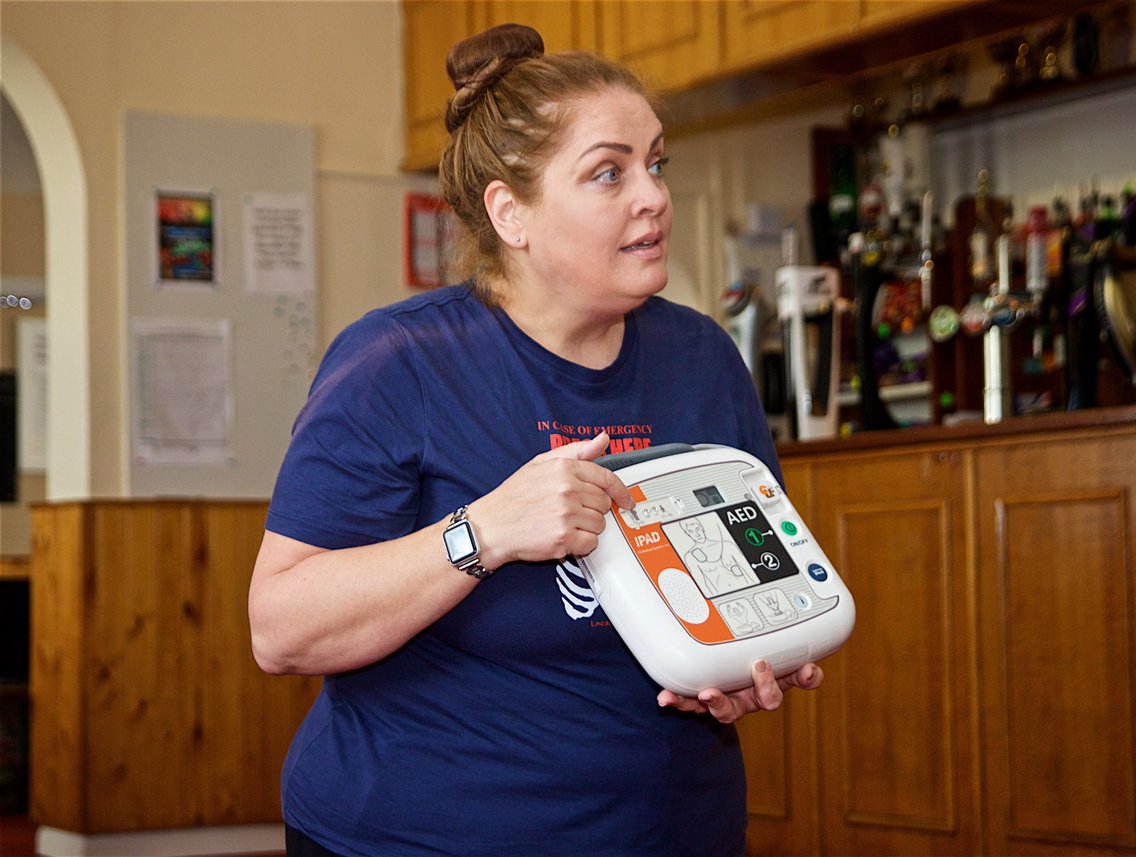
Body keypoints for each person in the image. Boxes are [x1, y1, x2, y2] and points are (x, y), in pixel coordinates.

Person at [249, 23, 825, 857]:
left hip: (671, 831)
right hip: (415, 836)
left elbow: (740, 585)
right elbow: (281, 627)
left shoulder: (703, 358)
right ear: (509, 212)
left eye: (656, 164)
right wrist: (486, 531)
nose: (653, 196)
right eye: (608, 173)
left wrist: (742, 665)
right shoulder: (397, 362)